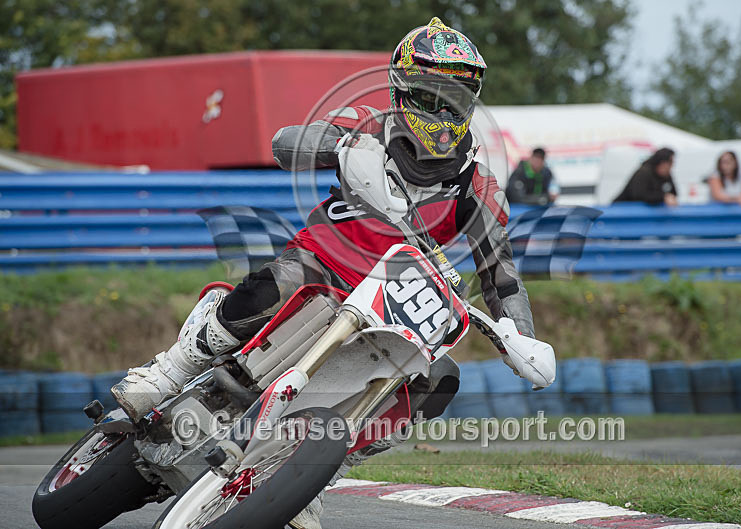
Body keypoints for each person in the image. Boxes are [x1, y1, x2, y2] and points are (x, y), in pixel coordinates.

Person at [112, 17, 553, 529]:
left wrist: (523, 339)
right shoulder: (366, 123)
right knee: (279, 282)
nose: (441, 111)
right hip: (326, 262)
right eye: (430, 96)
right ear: (402, 90)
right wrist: (338, 146)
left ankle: (312, 474)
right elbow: (286, 143)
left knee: (437, 380)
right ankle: (172, 369)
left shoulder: (478, 183)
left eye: (454, 99)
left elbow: (501, 275)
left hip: (398, 303)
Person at [613, 147, 678, 206]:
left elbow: (673, 193)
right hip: (622, 209)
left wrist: (668, 197)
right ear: (662, 162)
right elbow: (639, 195)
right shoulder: (644, 172)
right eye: (670, 162)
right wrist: (663, 197)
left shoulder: (666, 175)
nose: (672, 166)